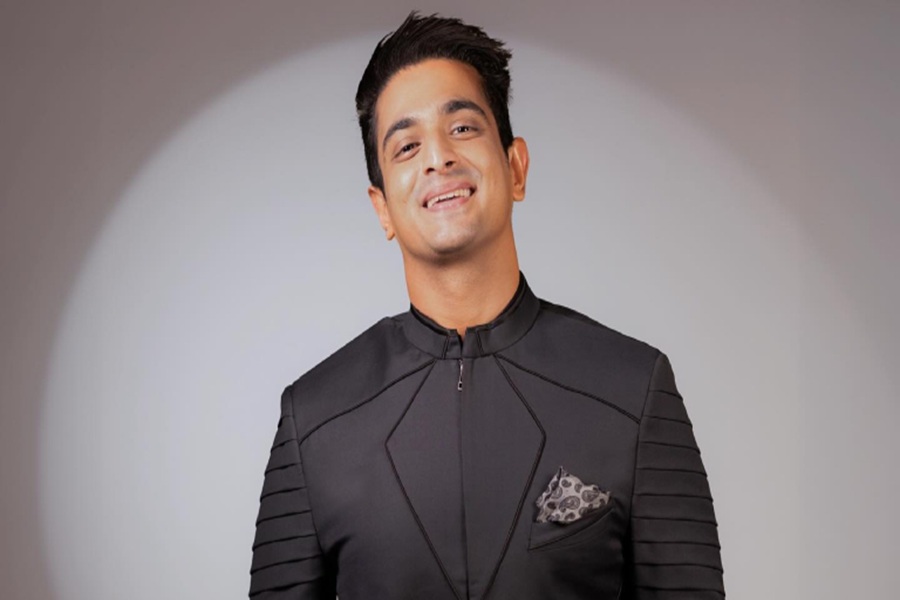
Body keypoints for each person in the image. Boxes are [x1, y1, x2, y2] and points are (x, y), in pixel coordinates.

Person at [249, 12, 724, 600]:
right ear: (382, 208)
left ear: (515, 167)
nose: (438, 157)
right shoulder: (314, 419)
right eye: (406, 146)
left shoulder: (633, 389)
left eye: (463, 127)